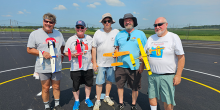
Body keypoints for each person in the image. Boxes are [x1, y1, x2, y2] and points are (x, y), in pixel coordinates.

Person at [144, 17, 185, 110]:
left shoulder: (173, 37)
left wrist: (178, 75)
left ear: (166, 25)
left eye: (160, 24)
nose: (157, 27)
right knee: (151, 96)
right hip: (152, 74)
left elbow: (181, 57)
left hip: (167, 75)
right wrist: (143, 59)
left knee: (168, 100)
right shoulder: (151, 38)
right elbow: (145, 54)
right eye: (155, 25)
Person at [27, 13, 65, 110]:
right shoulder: (35, 34)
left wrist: (61, 60)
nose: (48, 24)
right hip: (43, 67)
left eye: (51, 22)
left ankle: (57, 104)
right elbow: (29, 49)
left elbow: (62, 47)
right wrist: (42, 53)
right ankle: (47, 106)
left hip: (56, 66)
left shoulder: (59, 34)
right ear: (43, 21)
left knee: (56, 87)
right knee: (46, 88)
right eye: (46, 21)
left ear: (54, 23)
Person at [114, 13, 147, 110]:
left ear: (133, 22)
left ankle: (133, 104)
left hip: (135, 66)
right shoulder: (119, 34)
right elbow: (117, 48)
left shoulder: (140, 34)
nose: (127, 22)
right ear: (123, 23)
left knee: (135, 87)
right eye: (125, 21)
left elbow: (145, 51)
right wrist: (115, 53)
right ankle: (120, 103)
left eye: (129, 20)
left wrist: (142, 65)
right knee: (120, 86)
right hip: (120, 66)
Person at [63, 20, 94, 110]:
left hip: (88, 66)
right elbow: (65, 52)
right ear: (76, 28)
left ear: (85, 28)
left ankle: (87, 99)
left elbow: (93, 50)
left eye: (82, 27)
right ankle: (77, 101)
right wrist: (73, 55)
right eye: (78, 27)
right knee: (76, 85)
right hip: (76, 67)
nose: (80, 29)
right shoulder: (71, 39)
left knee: (88, 84)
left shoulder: (90, 39)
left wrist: (93, 59)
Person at [92, 13, 119, 110]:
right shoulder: (98, 32)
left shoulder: (116, 32)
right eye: (105, 21)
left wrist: (117, 51)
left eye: (109, 21)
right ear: (102, 22)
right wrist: (94, 63)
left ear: (112, 22)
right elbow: (94, 48)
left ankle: (107, 97)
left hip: (112, 63)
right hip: (100, 63)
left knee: (109, 80)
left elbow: (118, 46)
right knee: (99, 82)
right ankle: (98, 100)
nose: (107, 23)